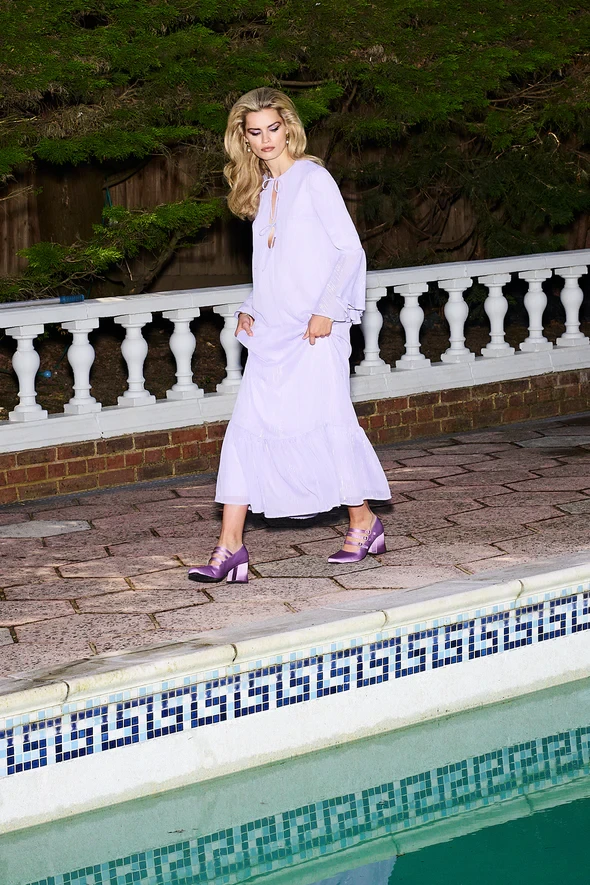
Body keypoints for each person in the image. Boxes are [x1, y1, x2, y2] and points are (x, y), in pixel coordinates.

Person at [188, 87, 391, 585]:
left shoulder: (313, 178)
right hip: (274, 331)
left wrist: (327, 311)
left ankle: (363, 522)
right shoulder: (260, 189)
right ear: (243, 138)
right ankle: (229, 548)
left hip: (316, 330)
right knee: (247, 429)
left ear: (289, 128)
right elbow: (272, 267)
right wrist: (250, 307)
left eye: (273, 129)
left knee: (325, 423)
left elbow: (350, 251)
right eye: (254, 132)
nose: (265, 140)